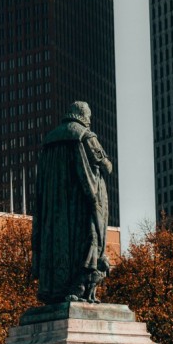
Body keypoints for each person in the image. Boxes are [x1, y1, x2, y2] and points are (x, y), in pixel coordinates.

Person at [32, 101, 113, 304]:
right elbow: (106, 166)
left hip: (54, 208)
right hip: (80, 205)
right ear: (84, 116)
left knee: (57, 246)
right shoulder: (85, 135)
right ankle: (79, 287)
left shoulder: (49, 141)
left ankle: (55, 290)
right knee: (87, 242)